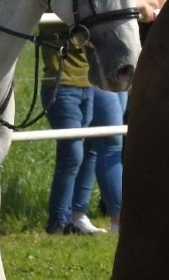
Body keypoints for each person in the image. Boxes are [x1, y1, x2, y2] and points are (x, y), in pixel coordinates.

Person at [39, 30, 123, 235]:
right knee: (72, 153)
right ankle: (58, 220)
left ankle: (75, 218)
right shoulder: (60, 3)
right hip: (62, 86)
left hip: (87, 84)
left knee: (88, 149)